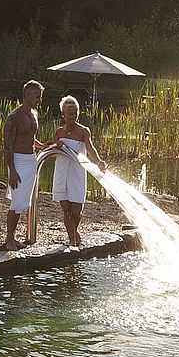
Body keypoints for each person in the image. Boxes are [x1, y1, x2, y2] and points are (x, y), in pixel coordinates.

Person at [45, 95, 109, 246]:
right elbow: (54, 151)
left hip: (77, 171)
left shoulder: (83, 131)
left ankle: (74, 234)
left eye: (75, 114)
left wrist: (98, 161)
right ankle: (72, 240)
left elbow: (90, 149)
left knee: (76, 210)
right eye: (70, 114)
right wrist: (54, 146)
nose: (72, 117)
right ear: (63, 114)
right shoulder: (59, 131)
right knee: (66, 208)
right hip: (61, 170)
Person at [2, 80, 47, 251]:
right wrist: (12, 171)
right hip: (18, 161)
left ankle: (13, 238)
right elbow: (8, 146)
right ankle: (9, 239)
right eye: (37, 96)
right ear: (27, 95)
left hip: (31, 160)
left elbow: (30, 139)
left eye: (40, 96)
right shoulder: (14, 117)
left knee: (24, 202)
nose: (39, 99)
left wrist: (43, 146)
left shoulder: (34, 114)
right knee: (17, 202)